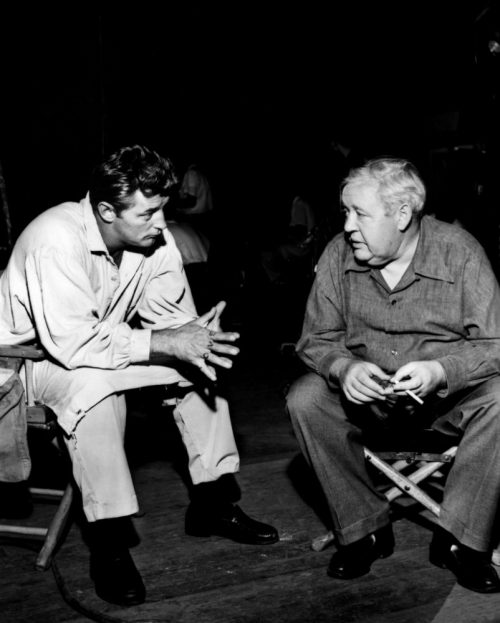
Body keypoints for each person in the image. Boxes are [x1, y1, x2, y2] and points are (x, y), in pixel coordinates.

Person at [0, 145, 278, 607]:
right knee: (94, 390)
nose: (161, 223)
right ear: (107, 211)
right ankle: (109, 542)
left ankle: (213, 503)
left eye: (162, 209)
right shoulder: (54, 236)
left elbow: (170, 319)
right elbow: (72, 344)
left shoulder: (154, 239)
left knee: (199, 366)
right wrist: (167, 341)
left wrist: (196, 336)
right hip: (27, 361)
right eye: (147, 213)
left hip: (96, 347)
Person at [286, 157, 500, 594]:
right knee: (305, 398)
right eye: (345, 212)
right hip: (366, 404)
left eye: (359, 214)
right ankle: (363, 529)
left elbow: (495, 343)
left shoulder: (460, 251)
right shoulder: (338, 254)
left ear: (402, 215)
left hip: (445, 404)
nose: (347, 226)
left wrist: (441, 370)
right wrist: (344, 367)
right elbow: (315, 339)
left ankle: (460, 540)